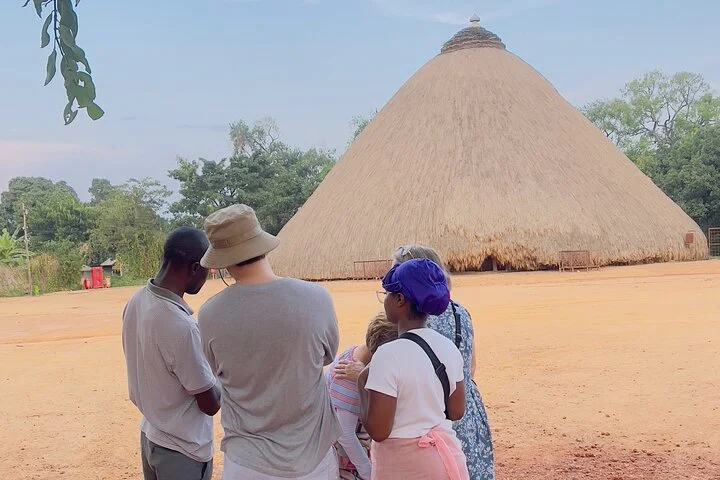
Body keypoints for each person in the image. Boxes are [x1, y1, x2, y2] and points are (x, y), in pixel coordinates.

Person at [197, 204, 342, 479]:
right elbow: (326, 355)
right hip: (312, 458)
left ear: (223, 259)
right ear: (261, 242)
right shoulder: (316, 298)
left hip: (247, 463)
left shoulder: (209, 314)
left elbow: (216, 369)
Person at [121, 227, 221, 480]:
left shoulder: (137, 300)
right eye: (208, 268)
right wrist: (225, 369)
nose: (208, 275)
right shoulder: (180, 325)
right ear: (193, 268)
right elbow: (210, 404)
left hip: (151, 434)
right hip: (182, 450)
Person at [391, 245, 495, 479]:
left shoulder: (411, 318)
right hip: (466, 410)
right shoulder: (460, 311)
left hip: (429, 422)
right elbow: (470, 366)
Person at [359, 258, 469, 479]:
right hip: (446, 462)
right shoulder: (447, 347)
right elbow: (456, 411)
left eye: (386, 294)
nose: (385, 300)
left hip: (404, 466)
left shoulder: (388, 355)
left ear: (399, 299)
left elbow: (379, 431)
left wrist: (362, 384)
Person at [326, 312, 398, 480]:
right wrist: (368, 472)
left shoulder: (357, 356)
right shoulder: (346, 377)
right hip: (348, 462)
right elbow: (345, 435)